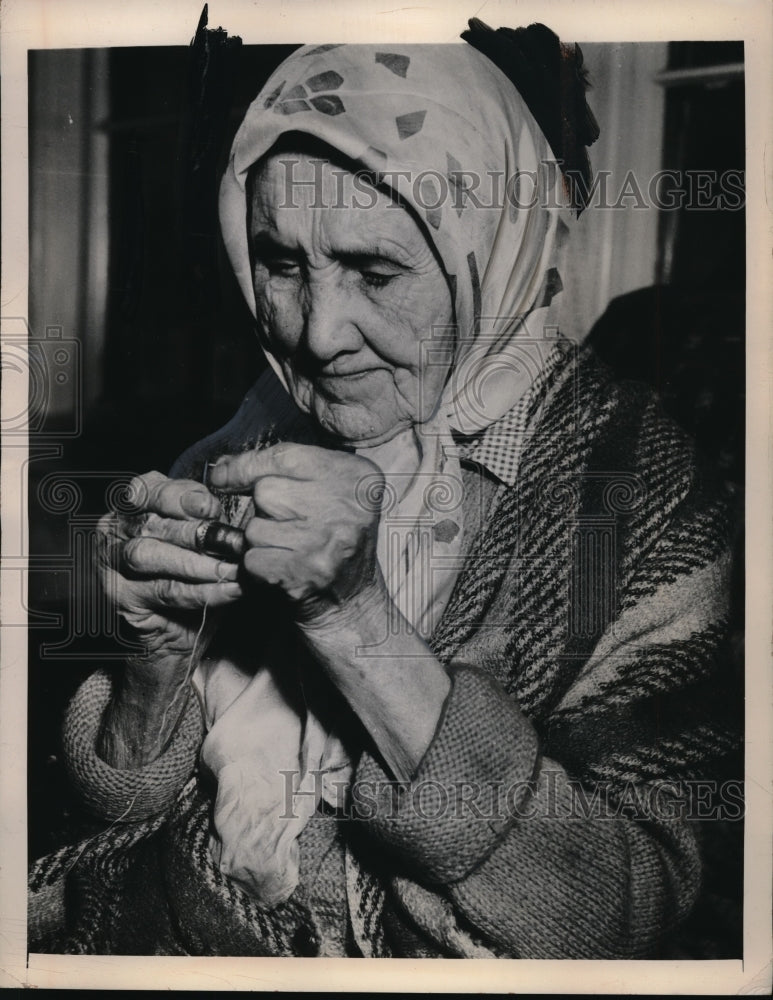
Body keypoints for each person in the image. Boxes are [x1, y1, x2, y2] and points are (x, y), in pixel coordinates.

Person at [28, 22, 739, 958]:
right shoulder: (248, 437)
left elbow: (627, 907)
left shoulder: (641, 493)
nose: (319, 334)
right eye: (282, 262)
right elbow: (114, 813)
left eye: (375, 270)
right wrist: (151, 664)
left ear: (490, 250)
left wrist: (353, 619)